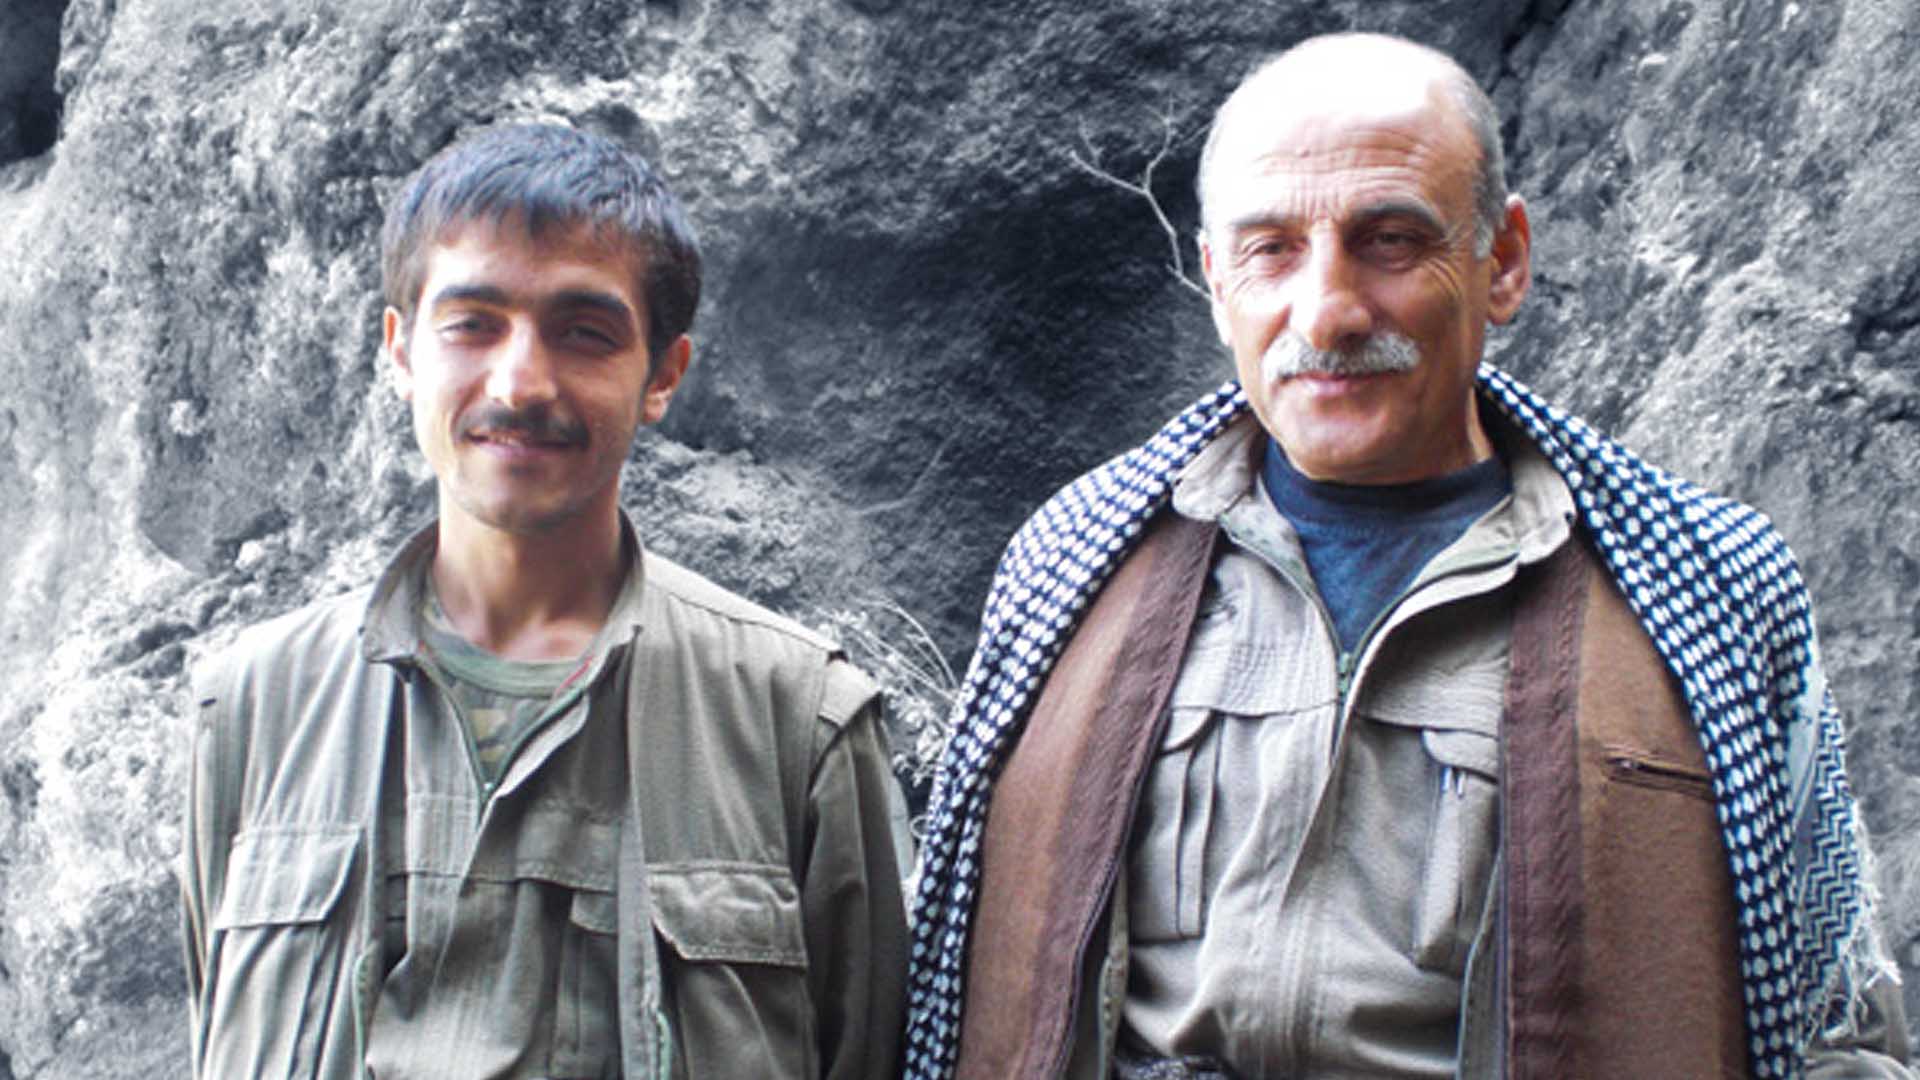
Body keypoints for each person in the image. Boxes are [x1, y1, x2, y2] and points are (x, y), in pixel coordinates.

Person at [904, 32, 1910, 1080]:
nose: (1328, 314)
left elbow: (1833, 1036)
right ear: (1214, 279)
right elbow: (944, 974)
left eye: (1388, 241)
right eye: (1271, 250)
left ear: (1502, 261)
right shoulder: (1071, 567)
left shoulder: (1712, 591)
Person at [180, 123, 907, 1079]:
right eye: (471, 323)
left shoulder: (798, 723)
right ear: (400, 352)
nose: (520, 384)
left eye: (584, 332)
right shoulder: (253, 707)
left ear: (662, 376)